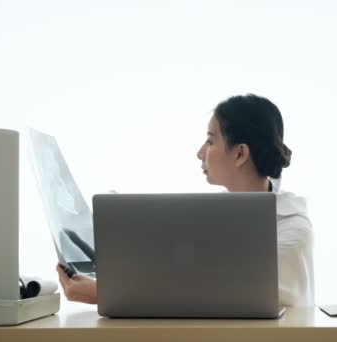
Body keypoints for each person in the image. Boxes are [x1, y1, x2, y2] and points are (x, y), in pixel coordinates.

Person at [57, 94, 314, 307]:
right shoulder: (217, 215)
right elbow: (177, 274)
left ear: (239, 153)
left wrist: (108, 294)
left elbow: (221, 293)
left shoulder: (292, 226)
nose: (200, 152)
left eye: (210, 141)